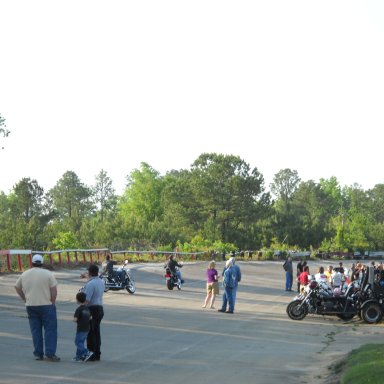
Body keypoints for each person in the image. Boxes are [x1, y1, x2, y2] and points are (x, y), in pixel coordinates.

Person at [14, 254, 60, 361]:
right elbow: (54, 290)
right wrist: (53, 302)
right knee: (50, 330)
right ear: (42, 263)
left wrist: (25, 298)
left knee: (36, 330)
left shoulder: (25, 274)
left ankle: (38, 354)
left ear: (32, 263)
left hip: (31, 306)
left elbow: (17, 287)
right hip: (46, 305)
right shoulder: (48, 274)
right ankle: (50, 353)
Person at [83, 264, 105, 361]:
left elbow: (87, 300)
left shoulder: (90, 284)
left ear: (90, 273)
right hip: (99, 308)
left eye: (87, 272)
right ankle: (97, 353)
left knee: (90, 333)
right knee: (96, 332)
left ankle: (91, 353)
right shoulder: (100, 281)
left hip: (92, 309)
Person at [73, 292, 93, 362]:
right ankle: (79, 356)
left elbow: (75, 319)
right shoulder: (87, 308)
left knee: (77, 342)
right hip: (87, 328)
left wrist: (75, 320)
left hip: (80, 328)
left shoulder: (79, 309)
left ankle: (86, 352)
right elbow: (90, 318)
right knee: (81, 342)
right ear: (85, 300)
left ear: (77, 300)